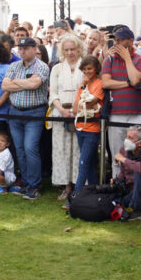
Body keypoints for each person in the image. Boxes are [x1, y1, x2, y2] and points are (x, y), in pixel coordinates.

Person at [1, 37, 51, 200]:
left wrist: (16, 82)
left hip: (34, 112)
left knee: (30, 148)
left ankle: (35, 185)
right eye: (20, 48)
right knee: (20, 149)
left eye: (26, 48)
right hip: (15, 112)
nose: (22, 51)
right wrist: (25, 82)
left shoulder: (42, 66)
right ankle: (27, 183)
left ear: (34, 48)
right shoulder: (14, 65)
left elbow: (34, 84)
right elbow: (4, 86)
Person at [100, 26, 141, 177]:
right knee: (117, 155)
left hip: (137, 115)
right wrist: (129, 84)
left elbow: (136, 78)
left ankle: (135, 189)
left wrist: (127, 58)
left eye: (120, 39)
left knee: (138, 156)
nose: (117, 43)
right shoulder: (109, 59)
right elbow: (106, 83)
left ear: (130, 41)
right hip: (116, 114)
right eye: (115, 39)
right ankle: (117, 186)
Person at [49, 34, 84, 201]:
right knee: (61, 150)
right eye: (67, 50)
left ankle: (79, 185)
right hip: (60, 114)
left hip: (81, 114)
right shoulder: (56, 69)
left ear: (78, 49)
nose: (70, 53)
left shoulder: (84, 66)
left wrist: (78, 108)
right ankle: (66, 186)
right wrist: (61, 109)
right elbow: (53, 92)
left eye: (73, 49)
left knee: (78, 150)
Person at [71, 55, 105, 202]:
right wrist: (84, 91)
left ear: (96, 68)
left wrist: (83, 102)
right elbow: (75, 109)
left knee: (83, 162)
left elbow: (92, 103)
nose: (87, 72)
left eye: (89, 68)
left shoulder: (100, 83)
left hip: (92, 129)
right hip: (80, 127)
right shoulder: (82, 86)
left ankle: (75, 195)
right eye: (84, 69)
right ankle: (92, 190)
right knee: (89, 162)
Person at [114, 126, 141, 220]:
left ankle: (136, 210)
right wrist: (116, 181)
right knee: (112, 202)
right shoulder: (124, 150)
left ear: (140, 143)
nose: (126, 140)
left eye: (130, 138)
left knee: (139, 173)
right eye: (126, 136)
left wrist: (124, 160)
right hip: (130, 193)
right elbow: (123, 172)